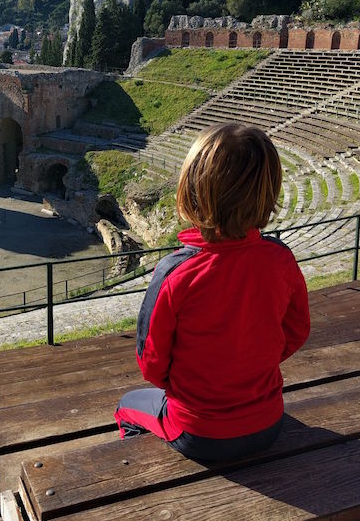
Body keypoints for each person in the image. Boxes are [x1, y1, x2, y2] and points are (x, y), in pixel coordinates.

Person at [114, 122, 310, 462]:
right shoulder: (280, 259)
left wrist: (191, 388)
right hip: (268, 424)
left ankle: (137, 465)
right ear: (268, 191)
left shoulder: (176, 273)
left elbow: (151, 365)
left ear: (191, 191)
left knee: (126, 406)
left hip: (196, 432)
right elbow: (296, 330)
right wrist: (249, 366)